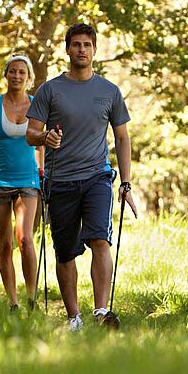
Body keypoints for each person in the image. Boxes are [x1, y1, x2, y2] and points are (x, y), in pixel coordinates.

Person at [26, 23, 138, 331]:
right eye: (76, 44)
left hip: (97, 178)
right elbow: (30, 134)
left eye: (87, 44)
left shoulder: (109, 92)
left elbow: (122, 138)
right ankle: (74, 317)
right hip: (60, 179)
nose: (81, 50)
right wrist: (44, 137)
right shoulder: (50, 90)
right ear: (67, 49)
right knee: (65, 251)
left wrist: (125, 182)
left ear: (95, 49)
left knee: (99, 239)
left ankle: (101, 312)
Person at [0, 54, 44, 312]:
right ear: (6, 74)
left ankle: (31, 298)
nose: (17, 76)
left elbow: (43, 140)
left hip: (28, 180)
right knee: (4, 245)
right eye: (12, 71)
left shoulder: (37, 106)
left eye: (22, 72)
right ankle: (13, 302)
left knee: (25, 239)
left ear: (28, 77)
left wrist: (43, 169)